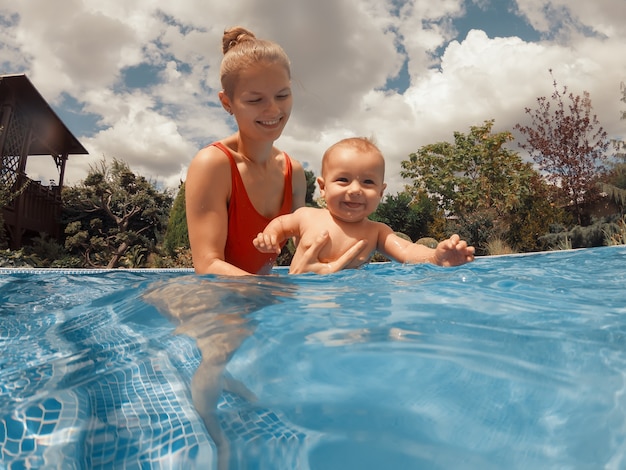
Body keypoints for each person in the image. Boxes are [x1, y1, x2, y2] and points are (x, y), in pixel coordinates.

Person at [185, 26, 364, 276]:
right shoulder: (213, 164)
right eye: (255, 100)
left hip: (265, 295)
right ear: (227, 103)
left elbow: (302, 242)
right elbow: (207, 266)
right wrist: (271, 293)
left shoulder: (294, 172)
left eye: (282, 95)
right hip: (220, 301)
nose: (273, 110)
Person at [253, 137, 475, 272]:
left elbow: (407, 250)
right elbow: (281, 224)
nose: (355, 189)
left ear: (380, 192)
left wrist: (435, 257)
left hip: (353, 305)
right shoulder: (306, 216)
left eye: (368, 182)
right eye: (343, 180)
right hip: (305, 299)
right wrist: (269, 236)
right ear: (322, 187)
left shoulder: (376, 232)